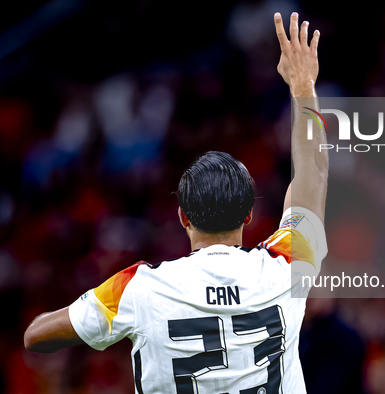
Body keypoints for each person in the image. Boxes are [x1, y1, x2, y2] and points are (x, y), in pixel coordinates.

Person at [23, 11, 328, 394]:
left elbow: (36, 337)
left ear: (182, 216)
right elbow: (313, 171)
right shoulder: (285, 267)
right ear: (249, 214)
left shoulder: (138, 288)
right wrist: (303, 84)